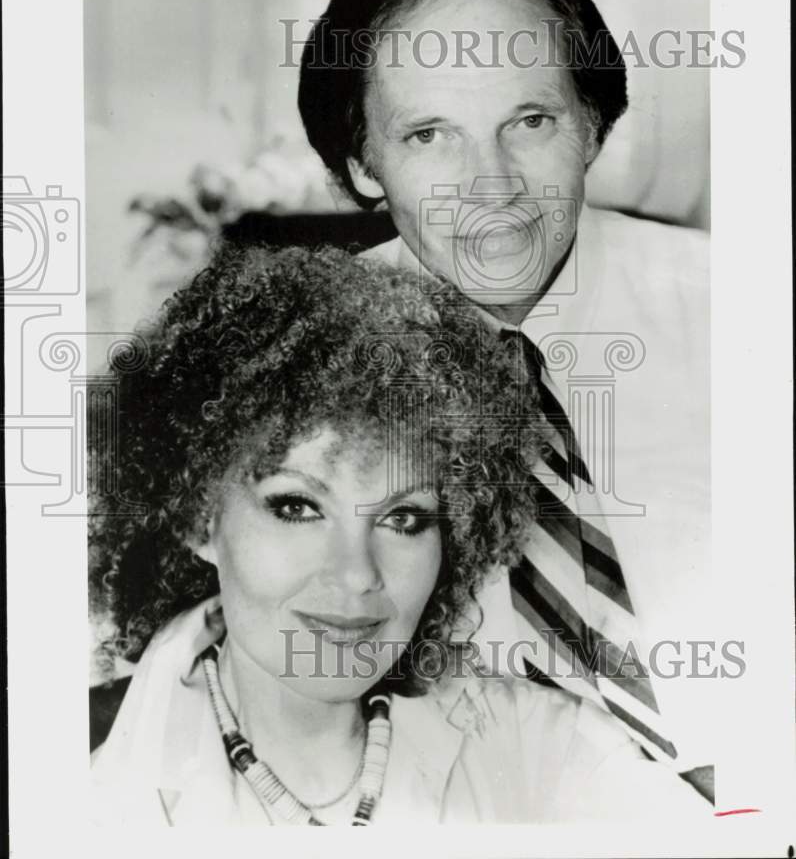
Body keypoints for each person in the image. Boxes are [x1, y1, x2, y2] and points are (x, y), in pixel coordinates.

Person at [88, 244, 708, 825]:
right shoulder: (72, 776)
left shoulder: (538, 749)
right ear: (198, 517)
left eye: (403, 518)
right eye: (298, 507)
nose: (358, 574)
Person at [298, 0, 711, 788]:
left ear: (592, 124)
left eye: (529, 120)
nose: (492, 186)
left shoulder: (741, 310)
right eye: (428, 136)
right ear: (361, 163)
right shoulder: (291, 369)